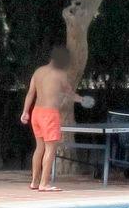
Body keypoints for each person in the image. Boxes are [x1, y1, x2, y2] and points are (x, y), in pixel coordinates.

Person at [20, 45, 90, 192]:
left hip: (36, 113)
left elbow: (30, 94)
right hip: (49, 114)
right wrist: (82, 100)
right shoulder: (60, 74)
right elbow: (69, 94)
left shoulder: (38, 71)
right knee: (51, 149)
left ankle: (34, 181)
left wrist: (25, 112)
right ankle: (44, 183)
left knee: (39, 148)